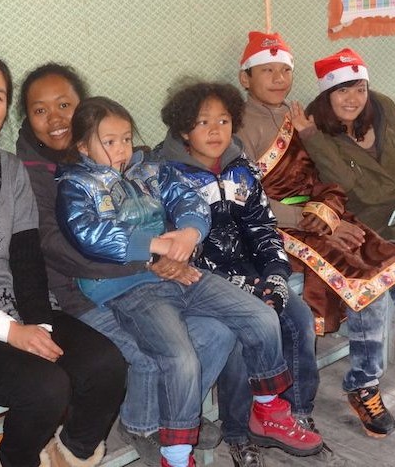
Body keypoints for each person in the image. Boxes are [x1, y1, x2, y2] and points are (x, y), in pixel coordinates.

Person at [55, 95, 323, 467]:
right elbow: (88, 233)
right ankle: (177, 455)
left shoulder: (150, 169)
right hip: (128, 288)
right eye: (110, 141)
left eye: (127, 138)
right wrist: (157, 245)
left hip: (180, 271)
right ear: (83, 147)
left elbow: (189, 200)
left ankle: (266, 408)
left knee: (260, 316)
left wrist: (189, 234)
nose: (122, 149)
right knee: (180, 358)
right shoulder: (77, 184)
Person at [16, 63, 232, 466]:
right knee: (148, 355)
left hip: (142, 279)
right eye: (40, 110)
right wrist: (150, 260)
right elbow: (56, 248)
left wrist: (174, 249)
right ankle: (143, 425)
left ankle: (176, 415)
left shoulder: (118, 156)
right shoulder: (29, 174)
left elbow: (156, 212)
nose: (56, 118)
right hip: (76, 296)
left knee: (217, 332)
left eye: (65, 105)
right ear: (26, 117)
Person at [0, 49, 127, 467]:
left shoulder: (11, 169)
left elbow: (26, 258)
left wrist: (38, 324)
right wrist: (11, 332)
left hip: (15, 309)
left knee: (105, 365)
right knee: (47, 388)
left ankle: (69, 454)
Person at [236, 30, 395, 439]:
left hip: (320, 216)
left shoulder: (297, 116)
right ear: (245, 78)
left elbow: (322, 178)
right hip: (274, 228)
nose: (278, 79)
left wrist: (331, 214)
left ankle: (364, 382)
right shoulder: (239, 127)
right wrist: (315, 220)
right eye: (267, 71)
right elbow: (245, 198)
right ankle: (358, 385)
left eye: (284, 70)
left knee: (376, 261)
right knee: (359, 277)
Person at [157, 80, 322, 466]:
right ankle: (237, 430)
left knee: (299, 318)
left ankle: (291, 410)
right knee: (238, 336)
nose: (216, 131)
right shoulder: (167, 176)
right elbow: (183, 254)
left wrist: (275, 275)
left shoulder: (241, 168)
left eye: (224, 120)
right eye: (203, 122)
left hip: (253, 272)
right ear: (184, 129)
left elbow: (263, 227)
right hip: (204, 282)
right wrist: (245, 285)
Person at [297, 48, 395, 242]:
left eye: (360, 90)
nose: (353, 99)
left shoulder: (383, 110)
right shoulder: (316, 132)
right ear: (327, 95)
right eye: (343, 90)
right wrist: (312, 138)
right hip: (368, 228)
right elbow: (343, 184)